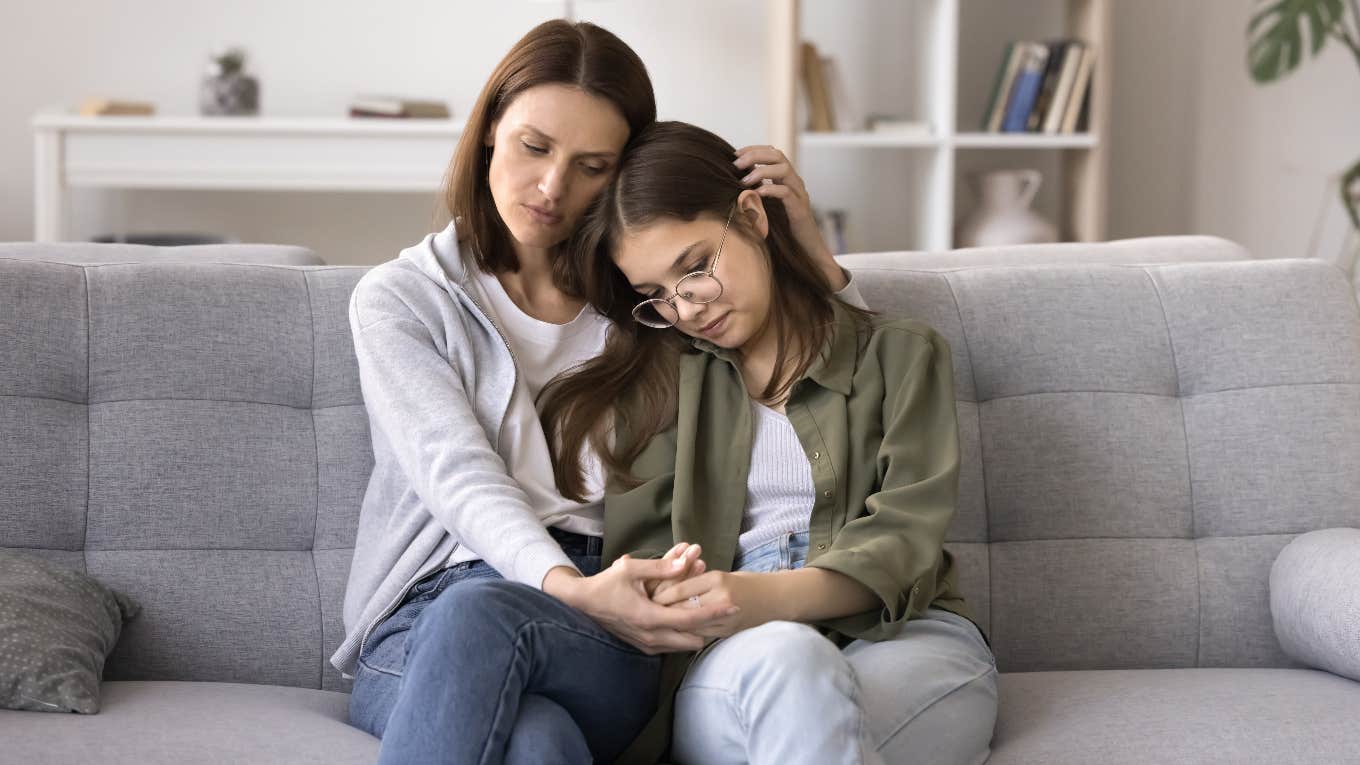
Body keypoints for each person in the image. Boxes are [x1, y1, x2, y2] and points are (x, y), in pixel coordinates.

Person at [332, 20, 858, 764]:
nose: (552, 188)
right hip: (424, 620)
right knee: (535, 736)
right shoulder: (402, 299)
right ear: (489, 132)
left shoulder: (656, 303)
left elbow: (816, 386)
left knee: (487, 621)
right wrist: (560, 586)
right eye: (534, 146)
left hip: (610, 612)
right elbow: (454, 470)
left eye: (592, 166)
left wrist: (808, 251)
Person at [542, 121, 999, 764]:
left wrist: (760, 597)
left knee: (806, 702)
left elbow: (905, 535)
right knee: (791, 663)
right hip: (735, 654)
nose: (688, 306)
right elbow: (648, 553)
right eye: (656, 296)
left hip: (904, 637)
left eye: (696, 266)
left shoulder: (903, 354)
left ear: (752, 215)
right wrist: (696, 600)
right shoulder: (656, 386)